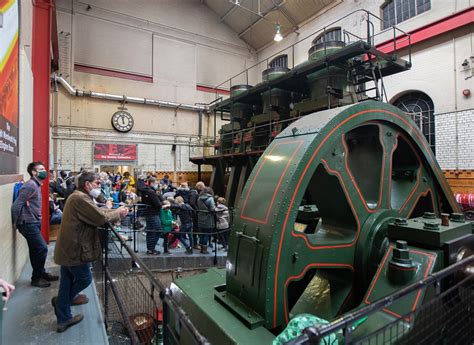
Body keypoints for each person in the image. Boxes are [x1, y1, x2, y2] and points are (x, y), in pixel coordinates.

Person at [52, 171, 128, 333]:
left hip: (69, 248)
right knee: (84, 279)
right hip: (75, 249)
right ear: (87, 185)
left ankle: (63, 317)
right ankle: (62, 303)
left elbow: (97, 213)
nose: (99, 186)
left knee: (67, 279)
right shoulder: (79, 198)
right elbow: (99, 218)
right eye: (97, 183)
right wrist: (118, 212)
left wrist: (109, 211)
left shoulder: (80, 197)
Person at [11, 161, 59, 288]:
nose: (44, 171)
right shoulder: (31, 185)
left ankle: (41, 273)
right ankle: (36, 278)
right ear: (33, 172)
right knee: (42, 248)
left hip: (33, 222)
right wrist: (15, 223)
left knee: (35, 249)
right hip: (27, 223)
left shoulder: (36, 185)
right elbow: (16, 205)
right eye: (41, 169)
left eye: (44, 169)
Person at [141, 177, 164, 255]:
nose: (157, 184)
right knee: (158, 230)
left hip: (147, 213)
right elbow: (158, 204)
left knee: (150, 231)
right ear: (152, 183)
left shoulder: (144, 191)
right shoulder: (152, 192)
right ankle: (152, 248)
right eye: (156, 183)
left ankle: (149, 249)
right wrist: (159, 196)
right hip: (154, 213)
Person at [196, 187, 216, 254]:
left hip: (200, 217)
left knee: (201, 234)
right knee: (207, 234)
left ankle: (201, 248)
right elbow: (213, 209)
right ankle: (204, 249)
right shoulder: (210, 199)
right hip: (208, 218)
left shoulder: (199, 198)